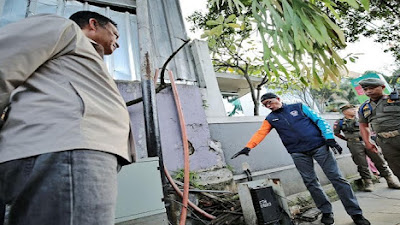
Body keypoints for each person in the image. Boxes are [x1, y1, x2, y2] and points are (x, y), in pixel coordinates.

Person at [0, 11, 135, 225]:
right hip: (65, 148)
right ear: (93, 24)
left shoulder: (83, 57)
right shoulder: (63, 29)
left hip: (76, 151)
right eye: (115, 35)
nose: (117, 43)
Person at [231, 93, 370, 225]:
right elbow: (260, 133)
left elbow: (319, 120)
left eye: (270, 102)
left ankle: (356, 213)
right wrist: (248, 147)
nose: (269, 106)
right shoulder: (271, 118)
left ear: (277, 98)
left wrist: (329, 138)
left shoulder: (299, 107)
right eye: (265, 105)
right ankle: (326, 211)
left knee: (337, 178)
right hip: (297, 152)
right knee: (310, 182)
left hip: (319, 146)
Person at [333, 104, 400, 191]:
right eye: (350, 109)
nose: (353, 110)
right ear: (345, 112)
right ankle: (368, 182)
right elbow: (336, 133)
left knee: (379, 159)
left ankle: (390, 180)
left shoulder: (361, 119)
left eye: (353, 108)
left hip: (367, 140)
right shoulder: (340, 122)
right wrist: (348, 139)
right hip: (354, 143)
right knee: (361, 163)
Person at [358, 78, 400, 181]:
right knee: (396, 169)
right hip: (385, 142)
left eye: (372, 88)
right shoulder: (364, 107)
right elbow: (363, 125)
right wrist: (367, 142)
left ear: (383, 87)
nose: (368, 91)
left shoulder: (396, 99)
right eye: (366, 89)